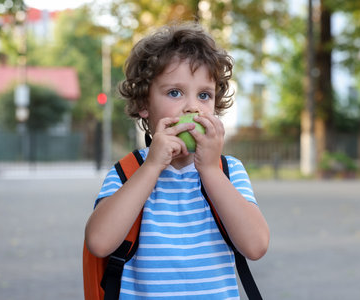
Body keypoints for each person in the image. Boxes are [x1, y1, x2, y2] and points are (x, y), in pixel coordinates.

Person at [85, 22, 270, 299]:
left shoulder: (228, 171)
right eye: (175, 92)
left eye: (204, 95)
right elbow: (99, 243)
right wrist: (152, 167)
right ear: (143, 105)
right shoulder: (128, 172)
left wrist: (209, 169)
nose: (192, 107)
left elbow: (255, 246)